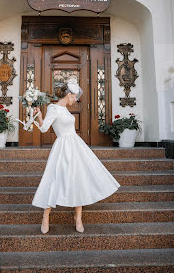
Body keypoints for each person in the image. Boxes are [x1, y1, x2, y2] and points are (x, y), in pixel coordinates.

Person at [32, 78, 121, 234]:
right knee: (55, 179)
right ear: (69, 95)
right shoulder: (54, 108)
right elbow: (45, 128)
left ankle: (78, 217)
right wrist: (39, 115)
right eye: (75, 96)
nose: (76, 100)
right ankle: (45, 217)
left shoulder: (66, 109)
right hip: (62, 147)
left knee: (79, 178)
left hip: (76, 146)